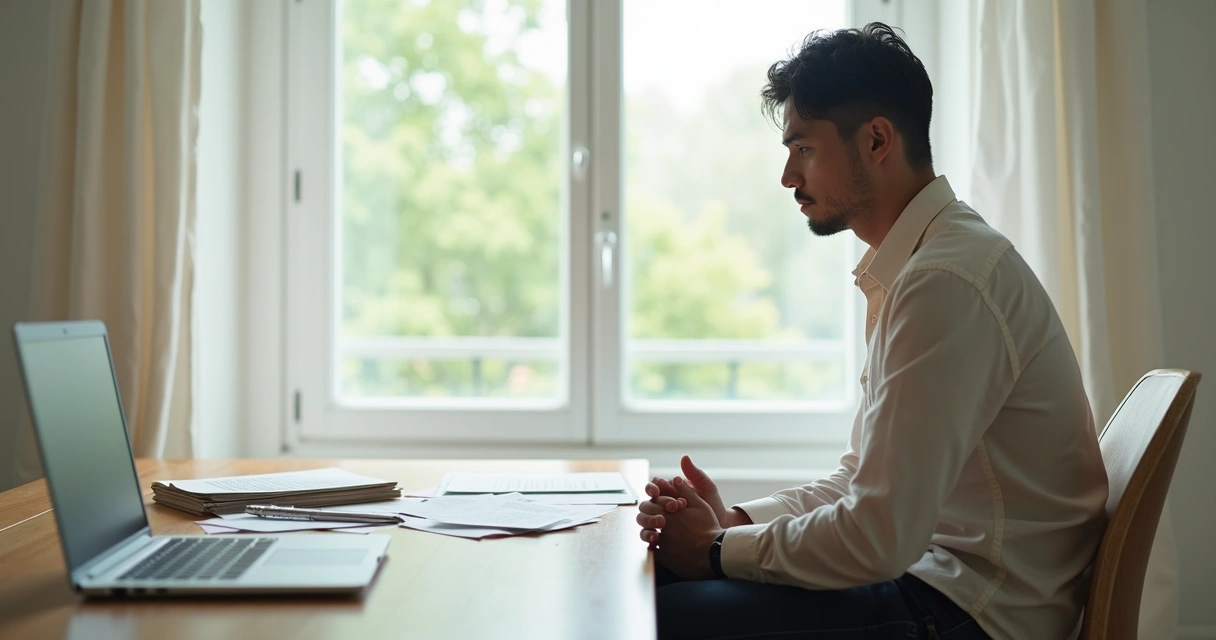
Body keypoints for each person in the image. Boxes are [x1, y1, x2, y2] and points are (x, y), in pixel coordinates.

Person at [636, 23, 1108, 640]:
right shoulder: (922, 263)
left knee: (649, 618)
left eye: (803, 148)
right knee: (650, 587)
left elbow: (878, 534)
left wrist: (717, 549)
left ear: (877, 139)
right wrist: (732, 523)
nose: (786, 176)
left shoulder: (946, 281)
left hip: (968, 612)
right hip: (929, 580)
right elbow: (861, 481)